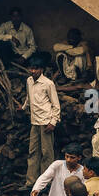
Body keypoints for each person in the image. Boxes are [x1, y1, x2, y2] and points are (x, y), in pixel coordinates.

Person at [21, 56, 61, 186]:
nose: (33, 71)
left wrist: (53, 122)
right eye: (31, 68)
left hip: (46, 122)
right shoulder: (29, 81)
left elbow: (56, 105)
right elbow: (29, 96)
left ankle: (45, 183)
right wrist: (23, 107)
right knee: (33, 152)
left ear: (41, 69)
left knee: (47, 154)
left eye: (36, 68)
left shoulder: (48, 83)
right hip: (35, 122)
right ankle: (30, 181)